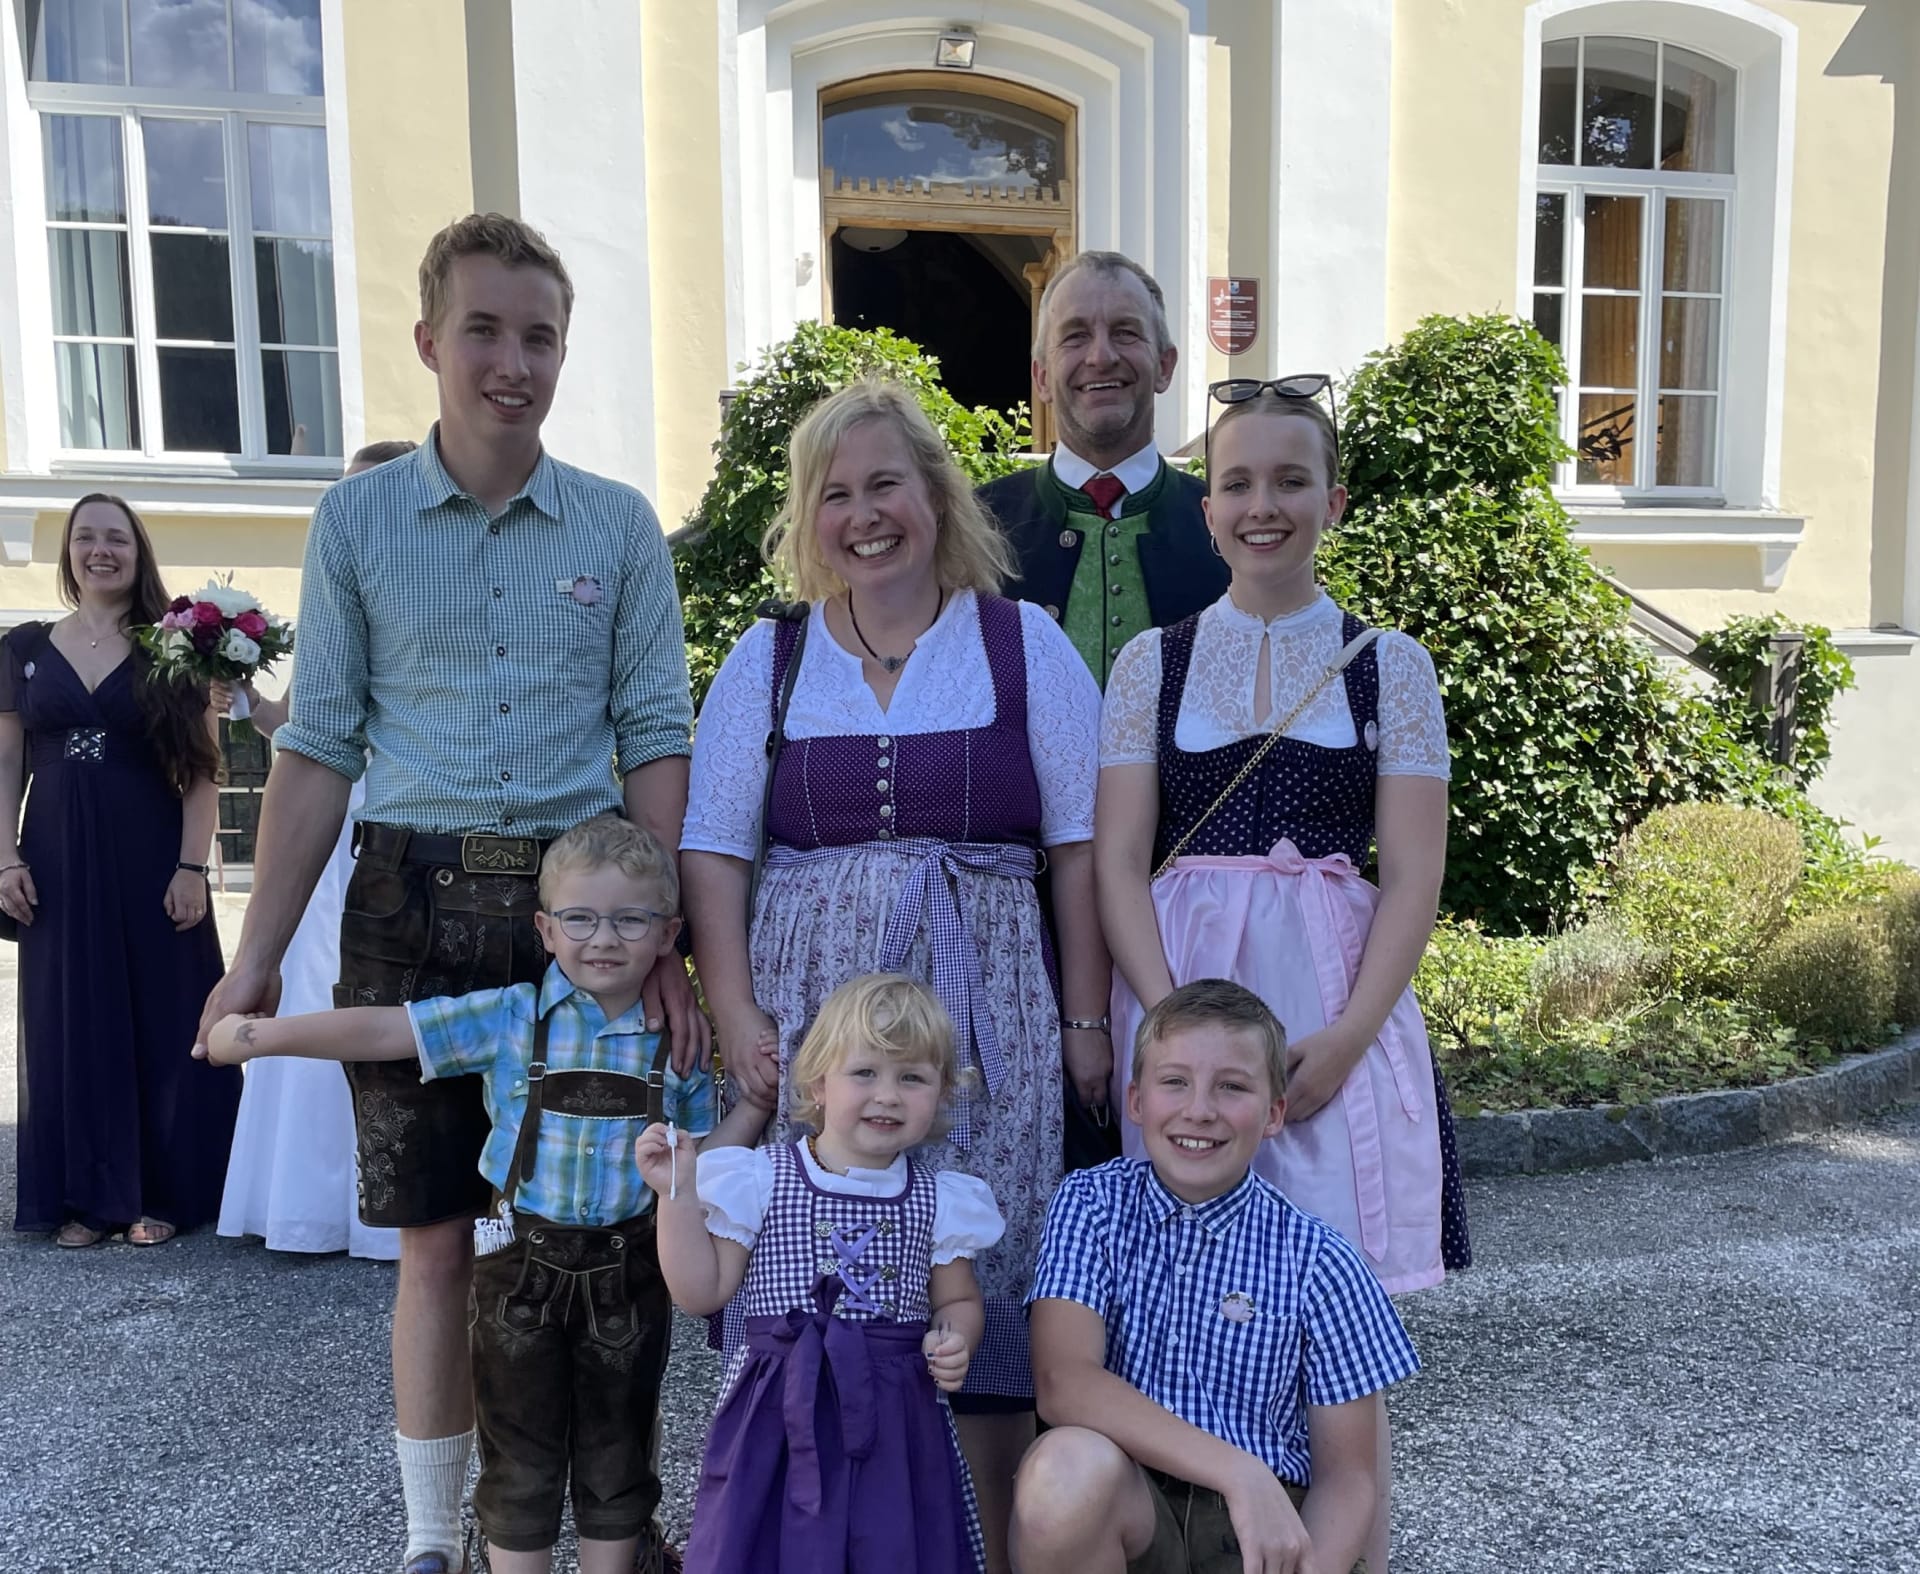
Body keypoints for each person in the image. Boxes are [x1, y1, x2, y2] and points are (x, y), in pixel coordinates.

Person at [195, 214, 701, 1574]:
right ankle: (436, 1537)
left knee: (599, 1226)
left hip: (578, 918)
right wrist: (255, 955)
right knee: (432, 1239)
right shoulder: (357, 519)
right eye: (484, 330)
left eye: (540, 336)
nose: (512, 363)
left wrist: (663, 940)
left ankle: (606, 1521)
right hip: (409, 901)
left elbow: (656, 735)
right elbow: (317, 749)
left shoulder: (616, 524)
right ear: (429, 339)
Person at [681, 377, 1106, 1571]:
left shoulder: (1022, 644)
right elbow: (714, 849)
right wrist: (735, 1008)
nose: (863, 515)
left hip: (988, 1017)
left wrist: (1084, 1017)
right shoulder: (770, 659)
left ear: (937, 493)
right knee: (816, 1274)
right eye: (836, 494)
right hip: (815, 1014)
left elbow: (1080, 845)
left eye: (886, 485)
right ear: (807, 517)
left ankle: (992, 1546)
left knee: (979, 1291)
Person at [1094, 379, 1468, 1569]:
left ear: (1334, 500)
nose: (1265, 505)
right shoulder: (1151, 664)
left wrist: (1350, 1035)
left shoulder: (1389, 666)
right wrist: (1168, 1023)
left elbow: (1413, 871)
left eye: (1291, 480)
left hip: (1331, 1005)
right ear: (1207, 510)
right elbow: (1118, 860)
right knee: (1185, 1294)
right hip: (1183, 995)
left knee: (1338, 1336)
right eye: (1240, 482)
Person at [203, 817, 751, 1574]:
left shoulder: (676, 1044)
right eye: (580, 919)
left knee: (617, 1452)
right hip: (519, 1272)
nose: (603, 938)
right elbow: (387, 1031)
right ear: (545, 930)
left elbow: (703, 1167)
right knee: (517, 1449)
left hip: (630, 1278)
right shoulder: (509, 1016)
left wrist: (753, 1111)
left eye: (631, 920)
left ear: (668, 935)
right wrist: (265, 1038)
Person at [1013, 981, 1420, 1574]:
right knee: (1061, 1472)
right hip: (1131, 1508)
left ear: (1274, 1113)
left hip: (1263, 1533)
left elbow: (1348, 1480)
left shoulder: (1321, 1258)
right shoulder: (1091, 1203)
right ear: (1136, 1101)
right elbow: (1063, 1383)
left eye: (1232, 1086)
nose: (1200, 1110)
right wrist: (1236, 1471)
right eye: (1175, 1082)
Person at [976, 249, 1225, 1166]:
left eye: (1126, 334)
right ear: (1042, 375)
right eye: (1074, 336)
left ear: (1165, 364)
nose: (1100, 355)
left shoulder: (1230, 518)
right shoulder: (973, 527)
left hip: (1194, 906)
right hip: (1018, 921)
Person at [640, 972, 1005, 1574]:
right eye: (865, 1072)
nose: (887, 1095)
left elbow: (957, 1299)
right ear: (818, 1083)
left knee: (890, 1548)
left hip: (896, 1416)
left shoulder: (941, 1200)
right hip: (778, 1409)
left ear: (941, 1094)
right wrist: (673, 1196)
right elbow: (700, 1292)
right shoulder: (762, 1177)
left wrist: (956, 1337)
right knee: (767, 1546)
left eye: (911, 1078)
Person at [0, 494, 238, 1248]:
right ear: (67, 551)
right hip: (55, 855)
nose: (100, 551)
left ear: (139, 553)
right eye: (86, 538)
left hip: (150, 851)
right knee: (69, 1017)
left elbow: (202, 769)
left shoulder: (175, 645)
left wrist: (191, 866)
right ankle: (84, 1198)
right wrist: (4, 855)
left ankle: (163, 1193)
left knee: (162, 1012)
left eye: (117, 539)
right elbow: (5, 761)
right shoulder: (22, 646)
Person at [217, 438, 417, 1261]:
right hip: (330, 830)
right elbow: (302, 730)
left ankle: (393, 1198)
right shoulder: (336, 597)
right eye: (345, 496)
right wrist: (242, 694)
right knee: (313, 982)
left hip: (404, 819)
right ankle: (307, 1200)